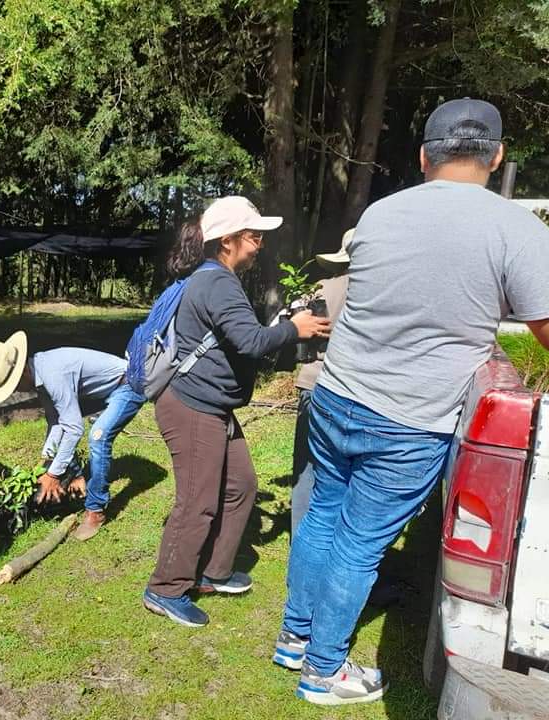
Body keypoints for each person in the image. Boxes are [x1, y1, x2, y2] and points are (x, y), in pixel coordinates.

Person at [276, 98, 549, 706]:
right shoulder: (518, 230)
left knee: (322, 515)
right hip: (409, 418)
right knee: (358, 541)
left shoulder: (380, 213)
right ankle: (323, 671)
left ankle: (294, 637)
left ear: (425, 155)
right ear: (498, 156)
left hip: (337, 394)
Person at [141, 196, 331, 627]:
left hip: (214, 405)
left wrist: (279, 325)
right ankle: (165, 588)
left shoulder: (217, 278)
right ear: (227, 241)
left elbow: (240, 335)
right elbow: (250, 342)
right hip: (192, 406)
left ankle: (213, 571)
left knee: (242, 484)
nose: (260, 242)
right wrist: (293, 329)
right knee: (197, 501)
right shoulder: (217, 282)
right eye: (253, 235)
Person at [0, 333, 145, 540]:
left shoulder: (52, 374)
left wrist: (54, 475)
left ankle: (95, 511)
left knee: (98, 437)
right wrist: (48, 460)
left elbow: (74, 428)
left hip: (129, 384)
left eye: (13, 384)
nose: (15, 390)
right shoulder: (41, 372)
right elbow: (55, 421)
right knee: (81, 438)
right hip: (110, 391)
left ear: (21, 371)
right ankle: (81, 481)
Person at [290, 229, 352, 532]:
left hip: (313, 382)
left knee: (307, 467)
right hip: (352, 389)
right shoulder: (377, 293)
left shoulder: (317, 289)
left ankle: (300, 535)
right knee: (344, 469)